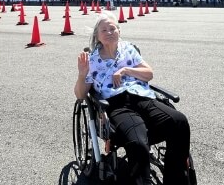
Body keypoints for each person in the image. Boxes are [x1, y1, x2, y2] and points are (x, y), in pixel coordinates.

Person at [74, 12, 191, 185]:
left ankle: (175, 180)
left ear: (119, 31)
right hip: (117, 104)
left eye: (112, 28)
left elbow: (148, 74)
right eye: (104, 30)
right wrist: (82, 74)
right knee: (137, 142)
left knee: (179, 122)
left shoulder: (128, 49)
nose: (109, 32)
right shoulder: (92, 60)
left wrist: (126, 71)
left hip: (143, 97)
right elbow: (80, 95)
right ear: (97, 36)